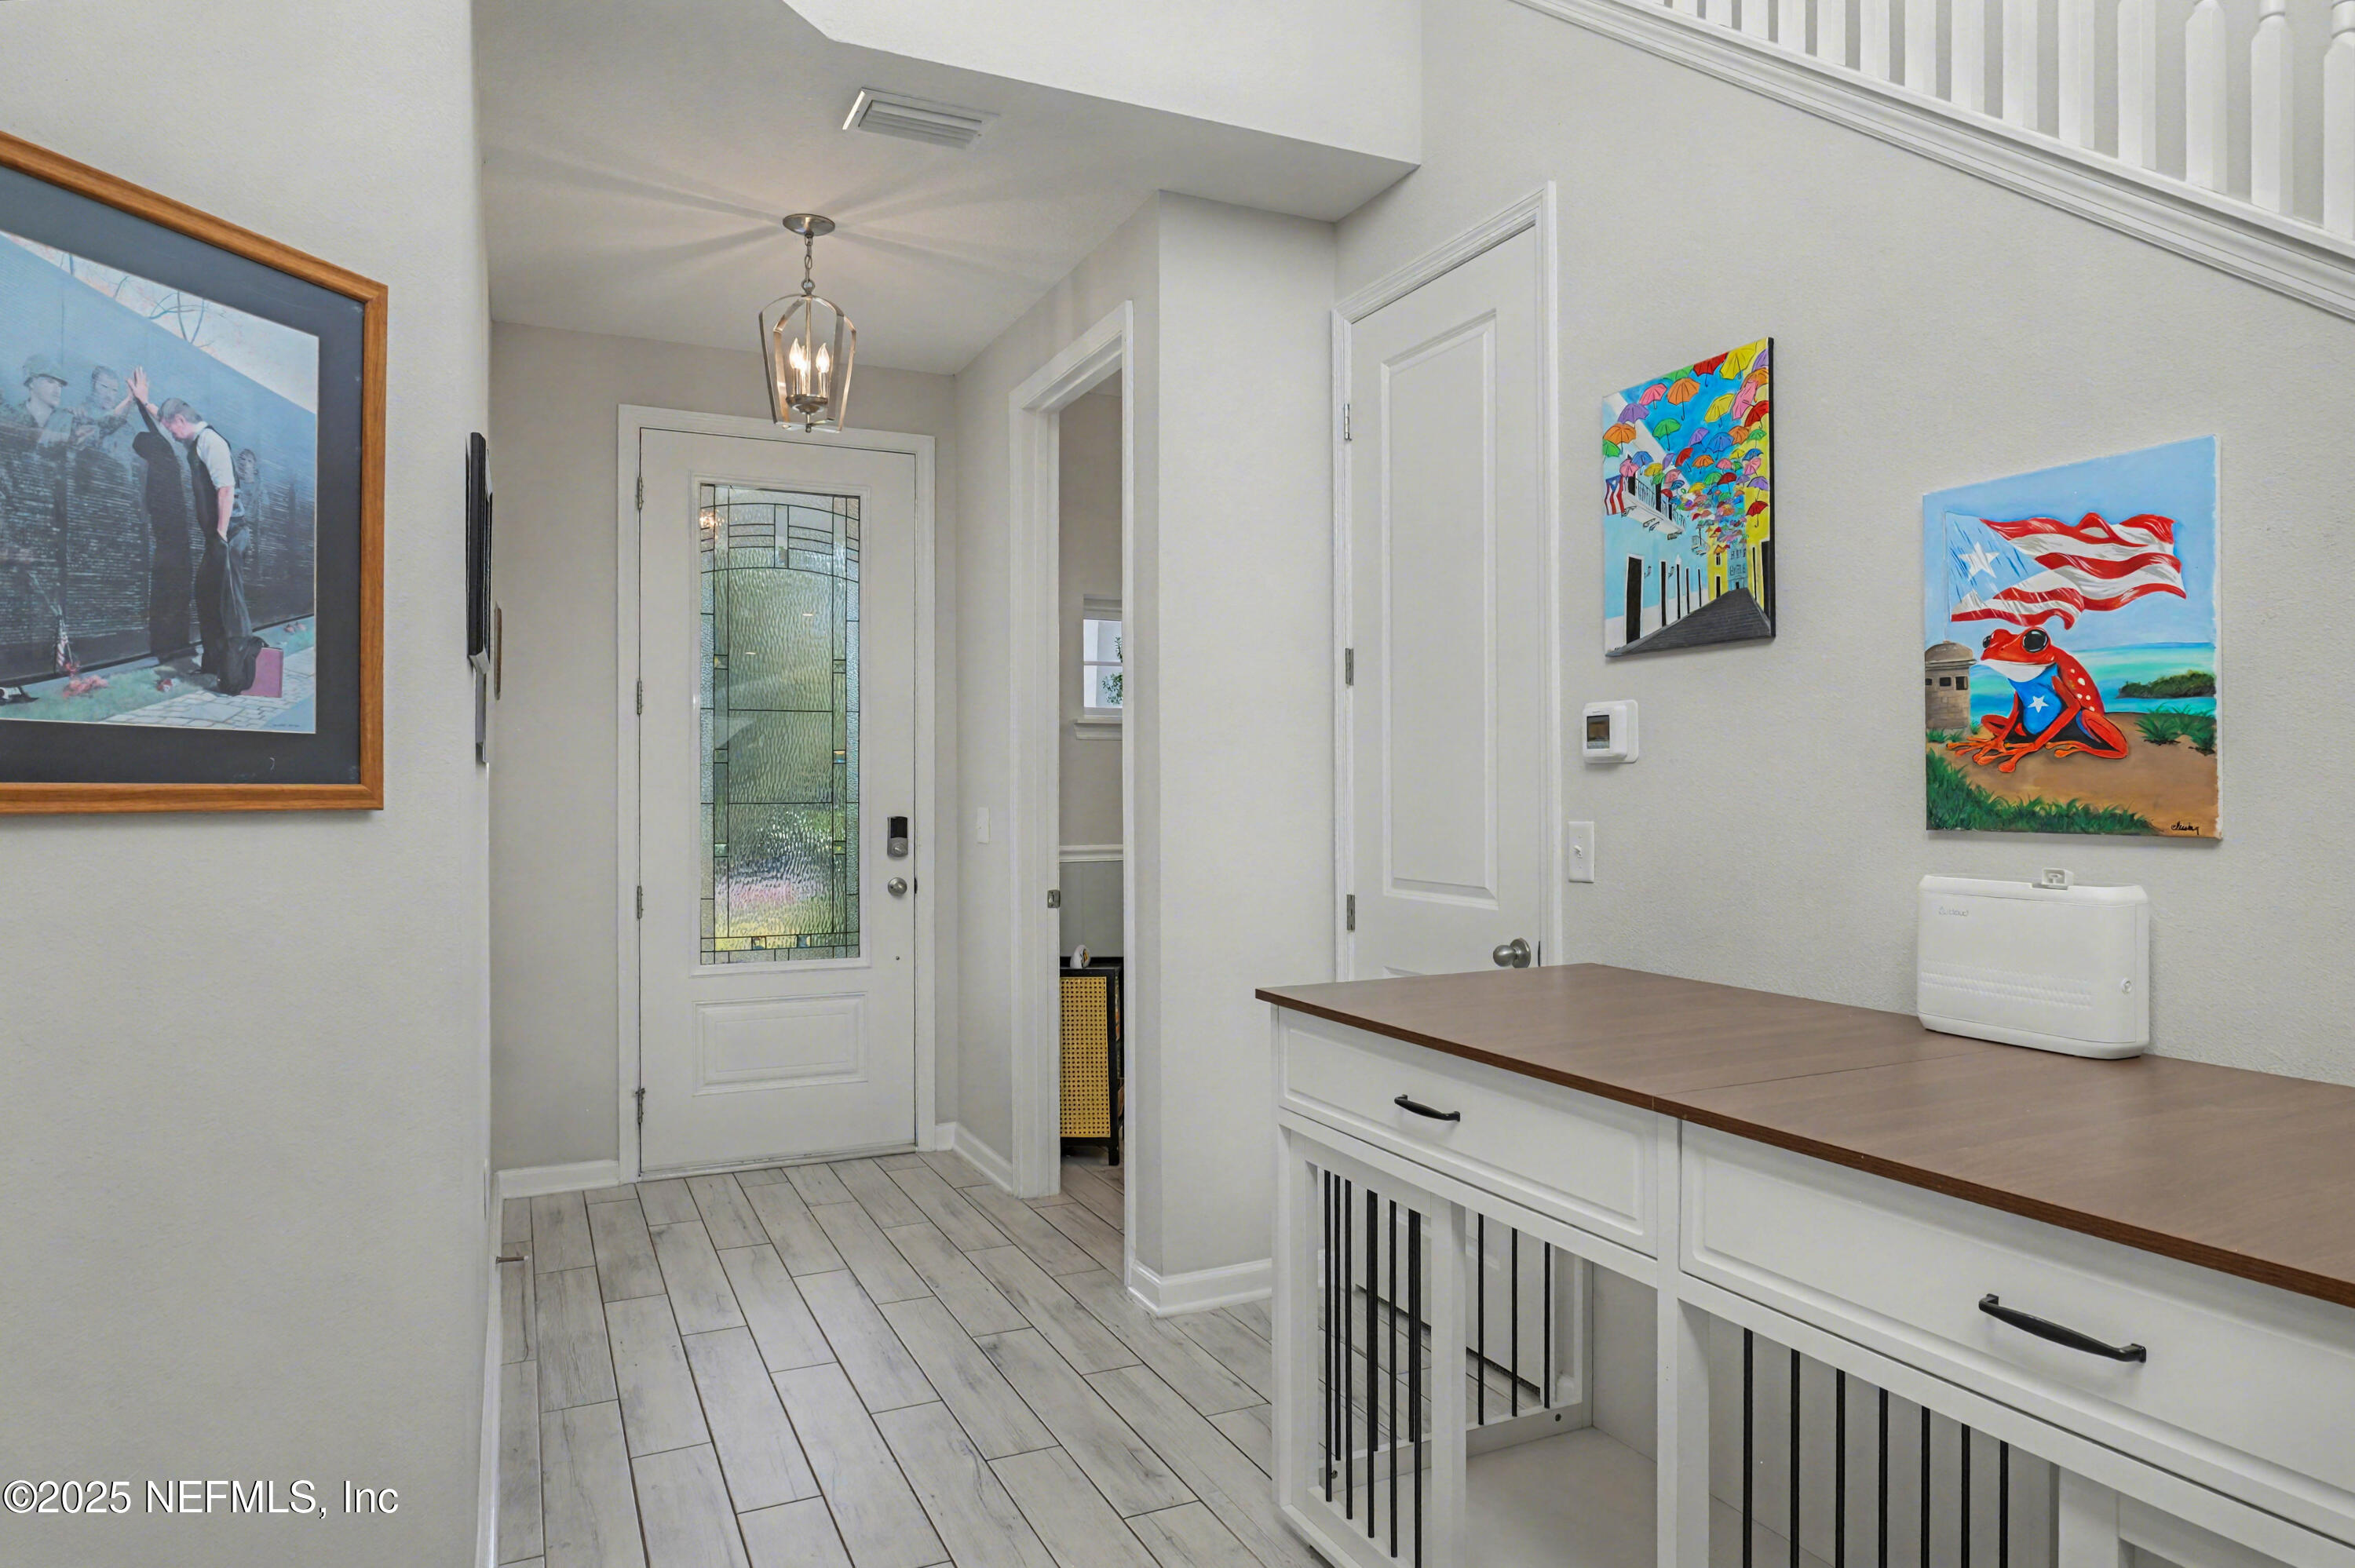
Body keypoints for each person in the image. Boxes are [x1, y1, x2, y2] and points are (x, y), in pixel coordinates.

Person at [129, 366, 256, 690]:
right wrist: (145, 402)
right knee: (206, 595)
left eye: (172, 430)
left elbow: (226, 491)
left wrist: (221, 538)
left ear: (182, 423)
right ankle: (214, 665)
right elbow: (163, 416)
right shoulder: (193, 437)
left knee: (230, 604)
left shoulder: (211, 442)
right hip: (219, 538)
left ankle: (236, 677)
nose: (170, 434)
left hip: (230, 535)